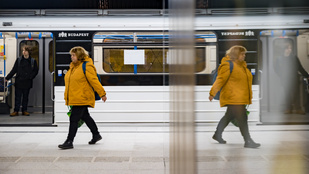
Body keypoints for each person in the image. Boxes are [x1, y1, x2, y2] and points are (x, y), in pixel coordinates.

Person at [209, 45, 260, 148]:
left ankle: (217, 134)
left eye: (244, 54)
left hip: (239, 97)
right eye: (242, 54)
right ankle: (248, 140)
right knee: (242, 118)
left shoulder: (242, 66)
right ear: (236, 54)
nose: (244, 56)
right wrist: (212, 93)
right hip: (233, 97)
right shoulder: (228, 65)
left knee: (229, 116)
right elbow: (220, 79)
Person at [58, 46, 107, 150]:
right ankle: (96, 134)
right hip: (76, 97)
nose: (71, 57)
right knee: (85, 116)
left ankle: (69, 141)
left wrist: (102, 93)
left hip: (82, 97)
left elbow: (94, 81)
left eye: (73, 55)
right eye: (71, 55)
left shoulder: (87, 66)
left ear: (79, 56)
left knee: (74, 118)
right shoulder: (73, 67)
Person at [274, 42, 309, 115]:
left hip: (294, 78)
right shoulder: (279, 59)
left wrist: (307, 75)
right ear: (284, 49)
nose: (289, 50)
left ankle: (298, 109)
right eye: (287, 48)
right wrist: (281, 75)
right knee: (287, 94)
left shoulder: (294, 58)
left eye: (290, 48)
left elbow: (300, 67)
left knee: (296, 94)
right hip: (285, 79)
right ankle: (288, 108)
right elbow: (276, 69)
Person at [5, 45, 38, 116]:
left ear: (29, 52)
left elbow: (35, 71)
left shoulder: (33, 61)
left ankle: (24, 110)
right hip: (19, 81)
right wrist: (7, 78)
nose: (23, 52)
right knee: (17, 97)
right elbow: (14, 70)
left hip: (27, 82)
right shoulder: (19, 60)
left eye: (25, 51)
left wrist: (30, 77)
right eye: (23, 51)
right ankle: (16, 111)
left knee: (25, 97)